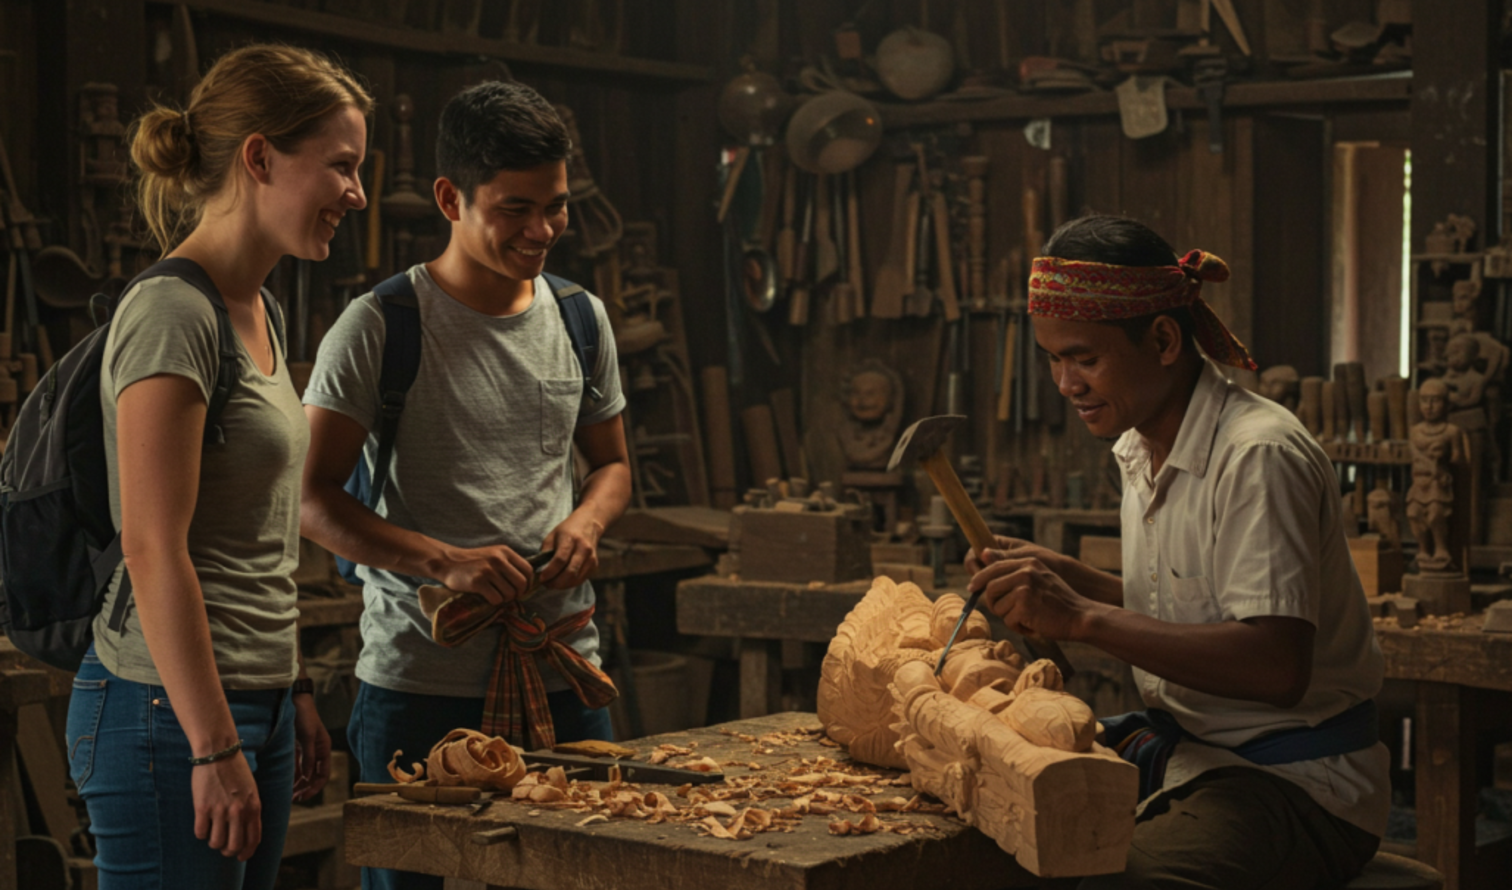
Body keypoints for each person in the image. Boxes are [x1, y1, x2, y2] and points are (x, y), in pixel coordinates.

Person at [966, 215, 1388, 889]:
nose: (1066, 384)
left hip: (1294, 785)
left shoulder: (1256, 455)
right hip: (1194, 757)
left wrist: (1080, 618)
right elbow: (1193, 609)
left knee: (1114, 881)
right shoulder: (1142, 445)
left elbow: (1275, 666)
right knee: (988, 816)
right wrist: (1064, 579)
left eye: (1084, 357)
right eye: (1052, 359)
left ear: (1163, 339)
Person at [299, 80, 630, 890]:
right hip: (419, 683)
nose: (543, 230)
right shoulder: (382, 325)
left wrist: (587, 522)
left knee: (591, 871)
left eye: (555, 206)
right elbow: (307, 498)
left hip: (562, 671)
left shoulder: (581, 318)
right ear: (451, 197)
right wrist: (444, 561)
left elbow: (613, 468)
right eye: (515, 209)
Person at [65, 44, 371, 889]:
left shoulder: (260, 309)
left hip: (251, 702)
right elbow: (153, 546)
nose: (358, 192)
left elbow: (250, 539)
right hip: (167, 713)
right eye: (341, 166)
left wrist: (292, 683)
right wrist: (213, 742)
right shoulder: (172, 312)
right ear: (260, 157)